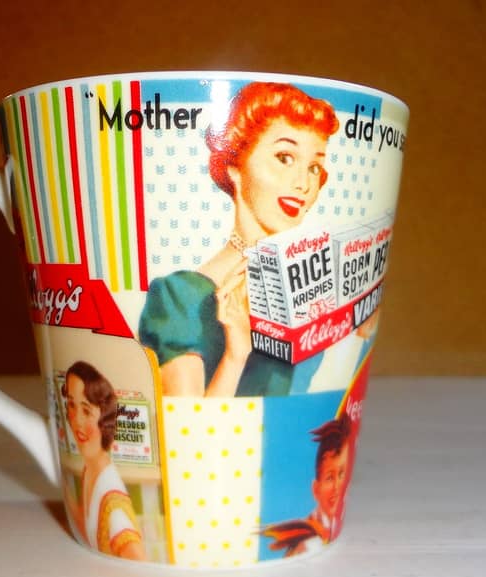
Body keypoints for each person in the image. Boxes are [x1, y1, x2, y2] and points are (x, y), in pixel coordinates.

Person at [139, 82, 342, 397]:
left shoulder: (307, 297)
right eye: (284, 157)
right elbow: (187, 423)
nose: (303, 183)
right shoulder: (180, 298)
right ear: (234, 166)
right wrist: (236, 355)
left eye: (314, 167)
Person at [61, 361, 146, 561]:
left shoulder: (113, 503)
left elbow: (137, 559)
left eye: (86, 410)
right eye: (72, 405)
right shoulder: (91, 469)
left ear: (104, 417)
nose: (76, 421)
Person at [261, 413, 353, 556]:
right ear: (316, 489)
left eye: (342, 474)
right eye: (329, 478)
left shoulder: (327, 527)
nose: (337, 487)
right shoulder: (309, 541)